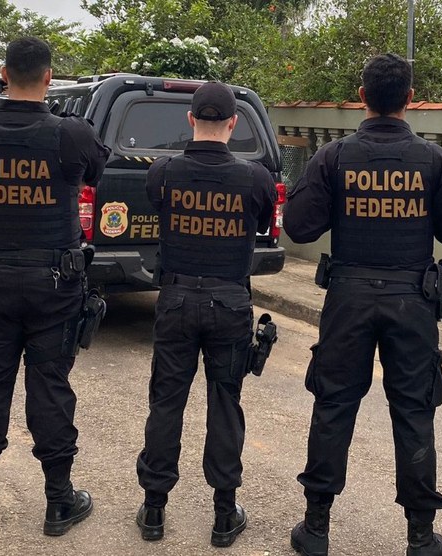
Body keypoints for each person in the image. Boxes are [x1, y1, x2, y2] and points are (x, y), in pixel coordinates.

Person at [283, 53, 442, 556]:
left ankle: (316, 528)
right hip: (411, 302)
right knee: (415, 411)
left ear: (362, 97)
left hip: (348, 299)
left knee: (333, 404)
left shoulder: (333, 157)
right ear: (409, 99)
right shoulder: (433, 160)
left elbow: (299, 225)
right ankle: (420, 536)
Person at [0, 37, 110, 536]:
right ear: (49, 77)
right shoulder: (71, 133)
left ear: (3, 74)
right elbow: (96, 171)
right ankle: (59, 502)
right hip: (53, 284)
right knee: (50, 389)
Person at [135, 81, 277, 546]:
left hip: (176, 300)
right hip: (229, 303)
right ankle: (223, 514)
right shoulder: (255, 179)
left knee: (166, 403)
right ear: (233, 123)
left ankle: (154, 509)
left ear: (190, 120)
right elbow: (260, 225)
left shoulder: (163, 172)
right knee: (225, 405)